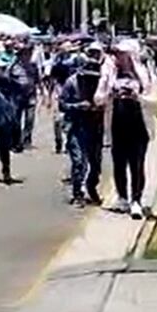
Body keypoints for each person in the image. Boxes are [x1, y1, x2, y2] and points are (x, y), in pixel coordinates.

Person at [103, 43, 155, 219]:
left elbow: (155, 100)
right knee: (119, 162)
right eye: (116, 54)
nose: (117, 57)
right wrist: (111, 94)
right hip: (117, 123)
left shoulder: (144, 74)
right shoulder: (110, 73)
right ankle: (122, 197)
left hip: (138, 125)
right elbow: (98, 97)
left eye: (121, 53)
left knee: (137, 164)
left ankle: (136, 200)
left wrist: (137, 97)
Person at [59, 56, 105, 207]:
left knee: (96, 164)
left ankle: (91, 188)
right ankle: (77, 193)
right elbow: (61, 104)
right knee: (79, 161)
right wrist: (78, 106)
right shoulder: (72, 82)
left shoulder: (101, 84)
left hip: (95, 127)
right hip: (76, 126)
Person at [11, 45, 40, 151]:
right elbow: (8, 81)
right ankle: (16, 141)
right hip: (17, 97)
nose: (26, 56)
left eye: (28, 54)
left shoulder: (33, 66)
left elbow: (38, 80)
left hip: (31, 96)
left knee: (30, 119)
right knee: (16, 120)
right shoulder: (13, 67)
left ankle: (26, 140)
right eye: (24, 54)